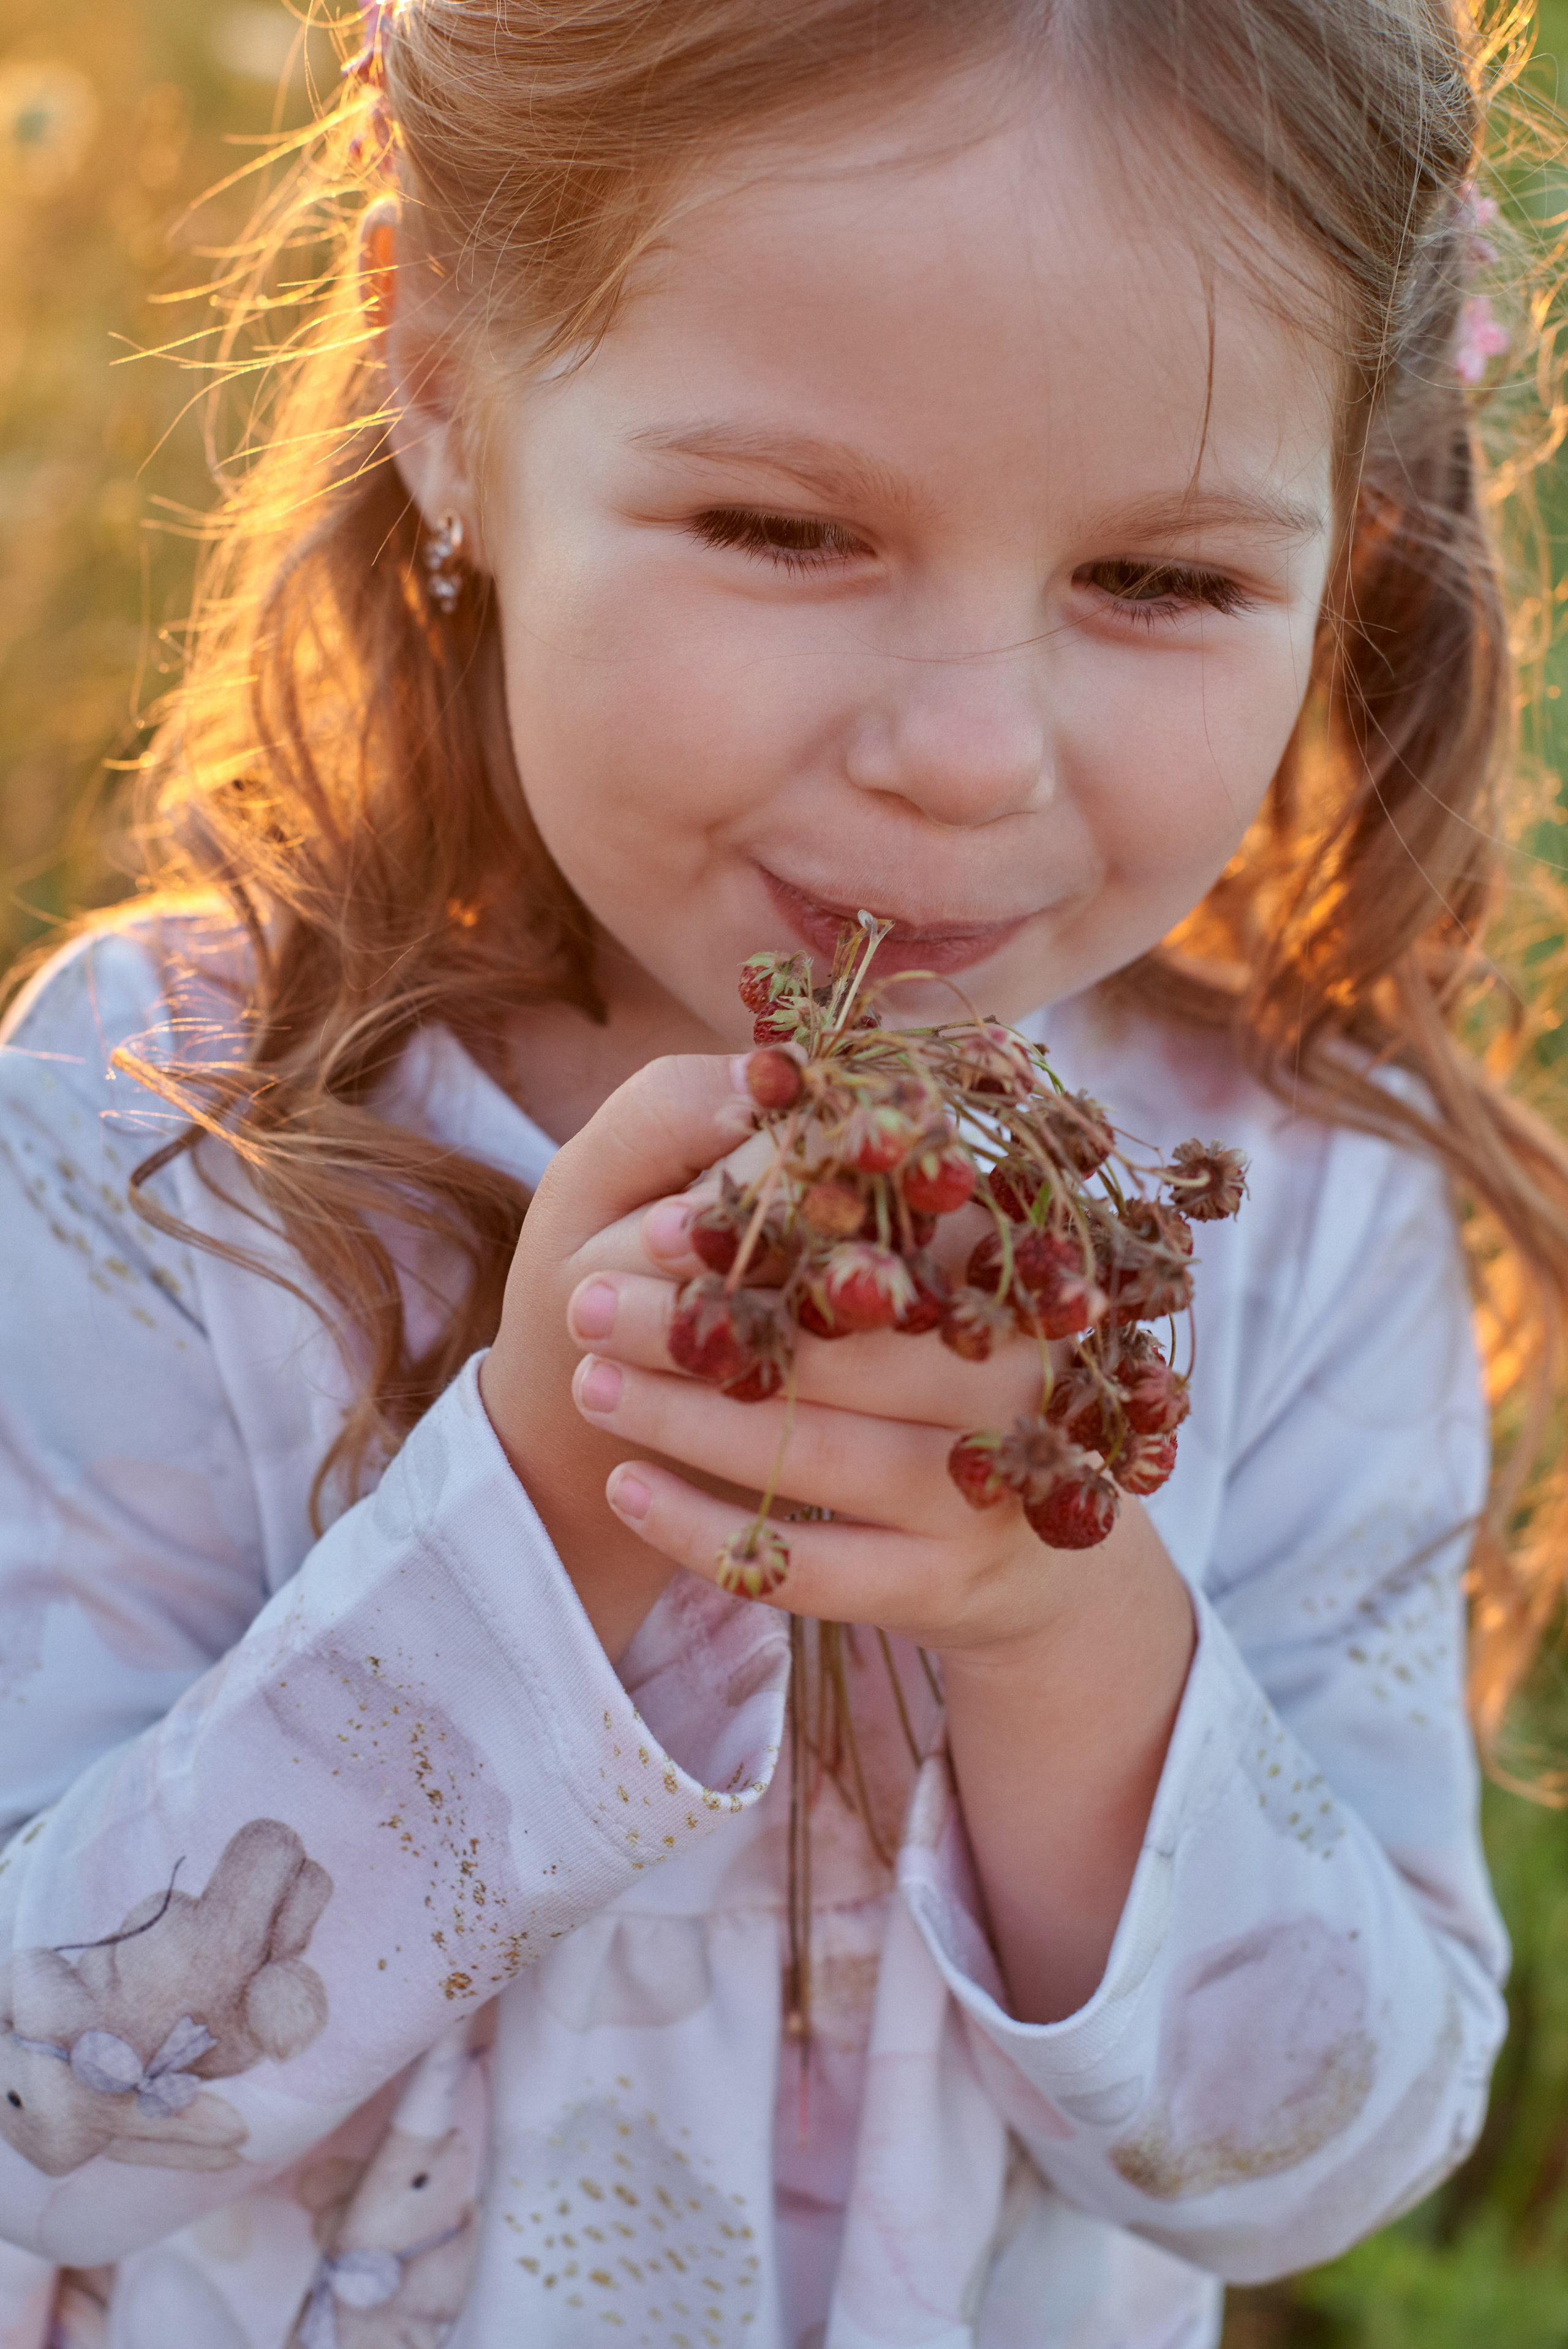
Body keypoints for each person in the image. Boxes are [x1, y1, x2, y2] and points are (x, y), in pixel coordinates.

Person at [0, 1, 1561, 2342]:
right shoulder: (169, 1127)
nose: (963, 750)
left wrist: (1066, 1624)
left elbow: (1319, 2157)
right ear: (449, 382)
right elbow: (51, 2108)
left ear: (1345, 538)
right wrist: (530, 1512)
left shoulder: (1295, 1201)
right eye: (785, 528)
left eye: (1160, 581)